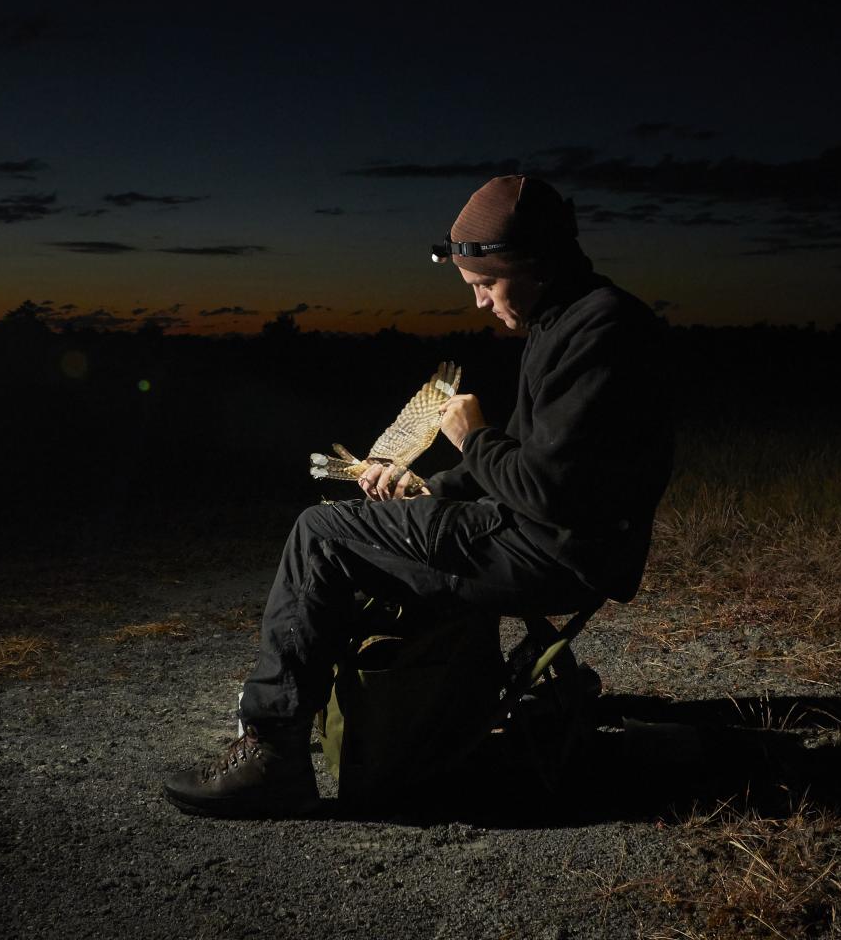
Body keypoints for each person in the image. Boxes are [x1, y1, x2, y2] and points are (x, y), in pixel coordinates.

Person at [162, 175, 674, 817]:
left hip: (555, 552)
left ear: (534, 263)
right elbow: (525, 466)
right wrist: (428, 487)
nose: (483, 304)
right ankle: (384, 715)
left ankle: (272, 752)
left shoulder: (601, 331)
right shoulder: (569, 320)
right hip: (540, 534)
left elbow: (548, 491)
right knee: (359, 516)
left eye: (487, 284)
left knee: (318, 535)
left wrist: (472, 437)